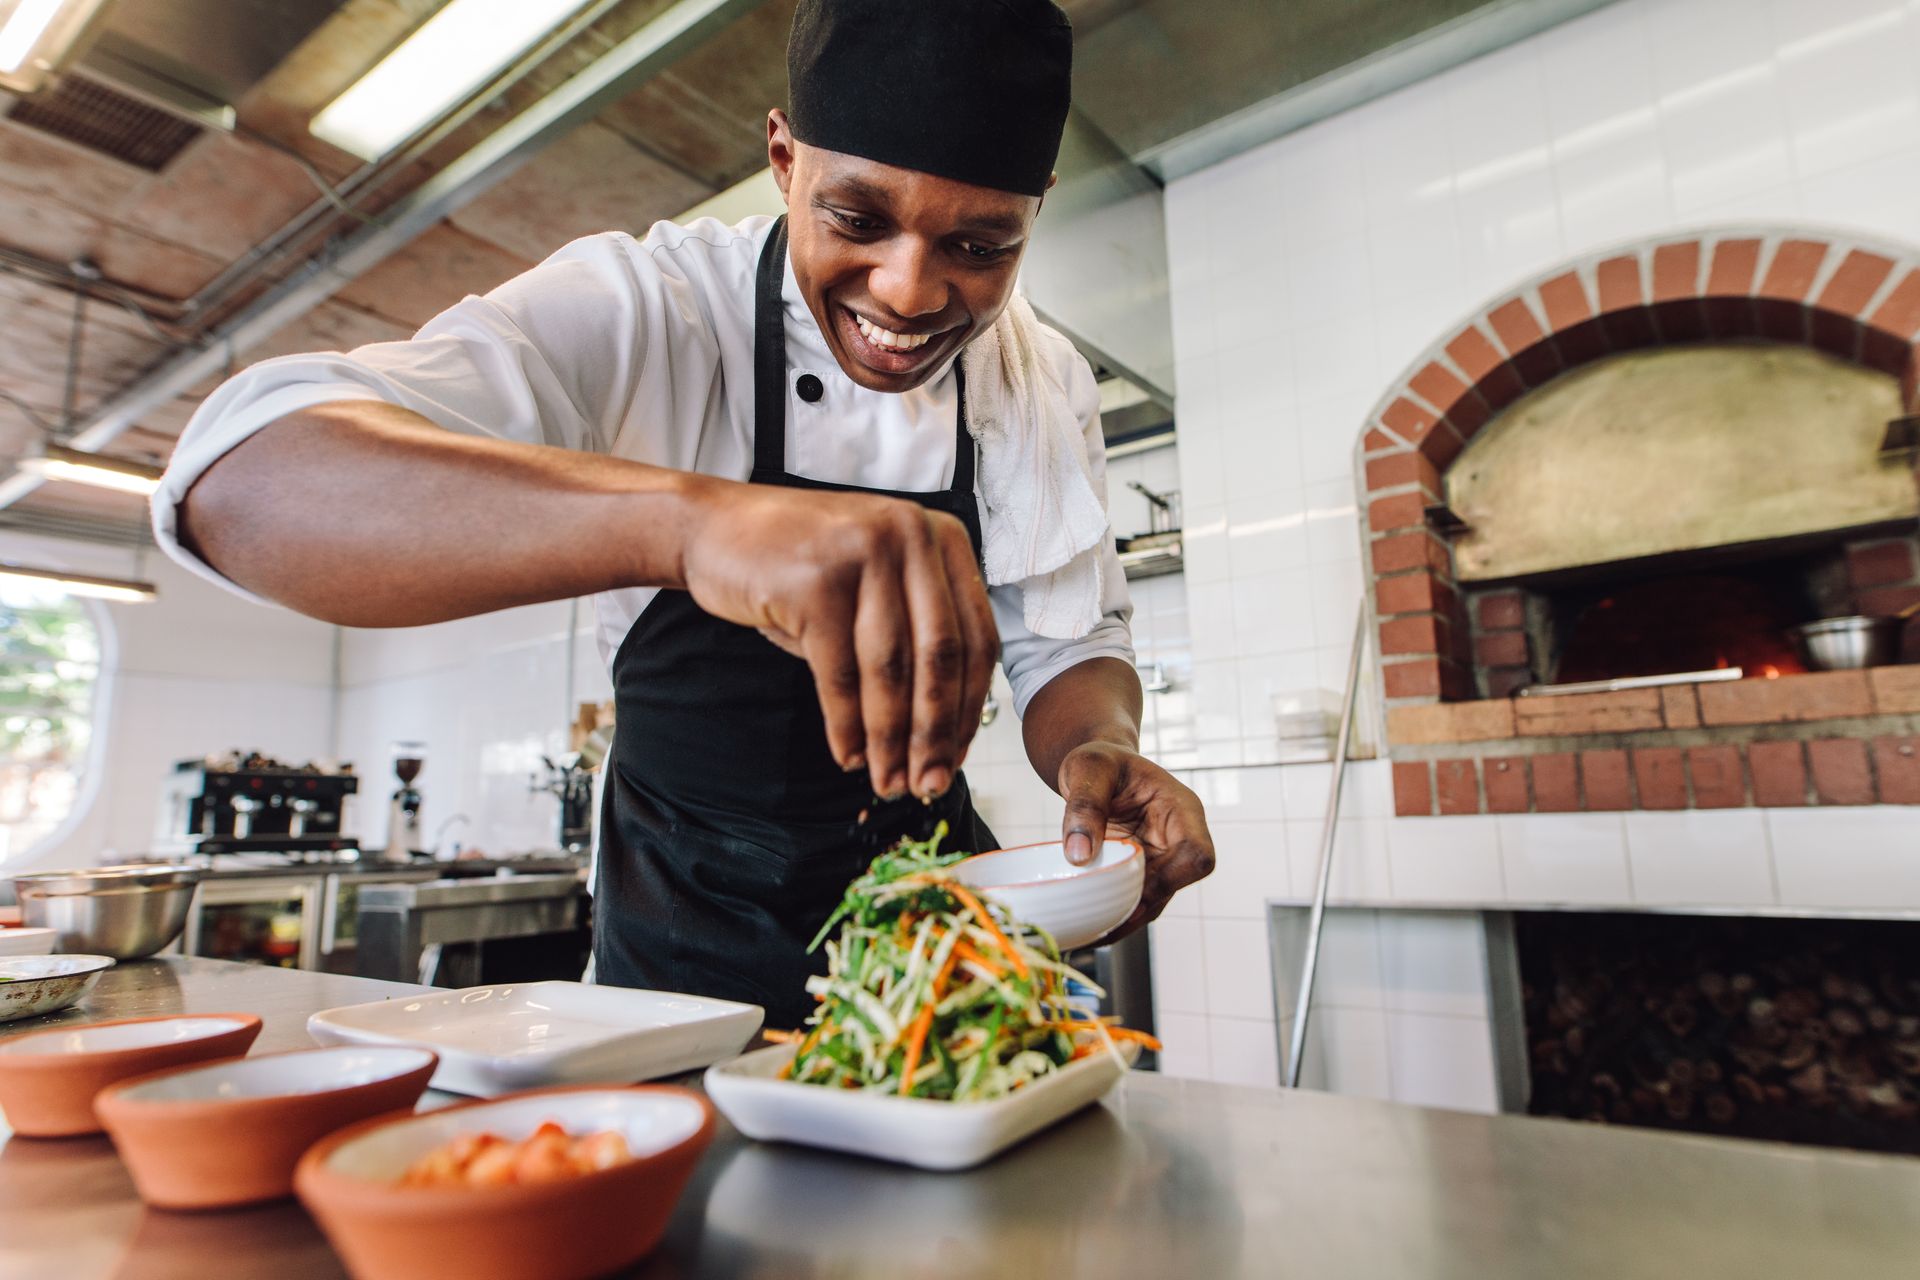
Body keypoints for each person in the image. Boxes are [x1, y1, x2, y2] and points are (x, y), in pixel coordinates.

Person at [153, 0, 1213, 1027]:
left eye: (980, 248)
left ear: (1037, 213)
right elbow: (239, 480)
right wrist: (691, 527)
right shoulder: (649, 308)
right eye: (858, 219)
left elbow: (1069, 635)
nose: (907, 291)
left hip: (938, 963)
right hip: (673, 967)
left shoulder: (1040, 377)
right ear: (785, 157)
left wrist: (1097, 744)